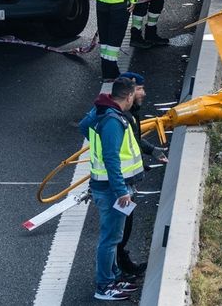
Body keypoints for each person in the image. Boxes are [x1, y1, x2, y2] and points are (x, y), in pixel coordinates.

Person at [79, 77, 144, 301]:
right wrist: (121, 191)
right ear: (128, 96)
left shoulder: (101, 111)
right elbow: (111, 159)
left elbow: (84, 126)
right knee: (110, 239)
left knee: (113, 237)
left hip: (106, 187)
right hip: (112, 189)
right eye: (135, 93)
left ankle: (114, 276)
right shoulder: (113, 121)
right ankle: (104, 285)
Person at [114, 71, 167, 275]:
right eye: (139, 89)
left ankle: (121, 262)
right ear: (128, 93)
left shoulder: (130, 113)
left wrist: (152, 151)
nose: (143, 93)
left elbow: (133, 142)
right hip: (120, 185)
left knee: (124, 225)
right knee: (118, 228)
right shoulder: (121, 117)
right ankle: (115, 270)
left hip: (126, 182)